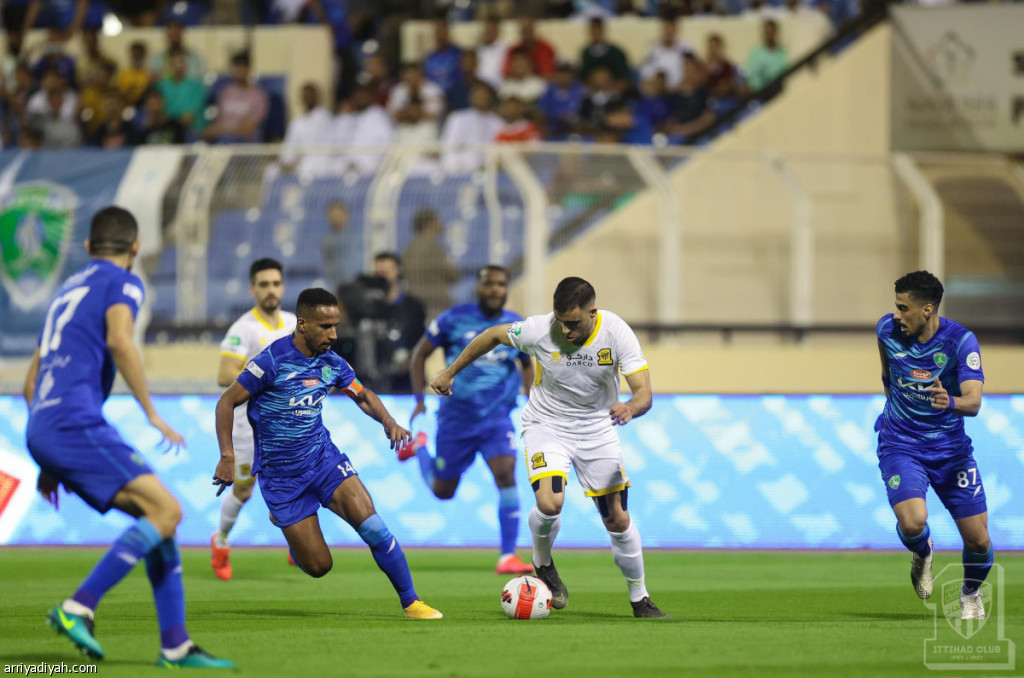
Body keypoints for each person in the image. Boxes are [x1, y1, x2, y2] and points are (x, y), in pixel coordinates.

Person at [23, 206, 233, 668]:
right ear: (135, 247)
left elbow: (30, 382)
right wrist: (152, 413)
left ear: (88, 247)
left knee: (157, 519)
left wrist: (47, 459)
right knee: (168, 511)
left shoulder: (65, 292)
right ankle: (79, 606)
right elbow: (120, 340)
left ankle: (176, 645)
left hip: (44, 425)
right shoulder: (124, 282)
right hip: (75, 421)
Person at [429, 277, 668, 619]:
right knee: (549, 502)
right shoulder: (539, 330)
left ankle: (640, 598)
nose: (565, 331)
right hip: (547, 425)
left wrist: (630, 407)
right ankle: (542, 562)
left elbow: (644, 392)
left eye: (573, 323)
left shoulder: (617, 332)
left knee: (617, 519)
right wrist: (451, 371)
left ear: (592, 312)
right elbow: (492, 335)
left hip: (597, 430)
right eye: (560, 322)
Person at [213, 287, 443, 620]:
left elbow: (362, 395)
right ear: (302, 324)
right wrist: (228, 456)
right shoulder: (271, 361)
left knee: (373, 526)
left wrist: (389, 422)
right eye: (325, 327)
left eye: (335, 325)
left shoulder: (332, 363)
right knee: (320, 566)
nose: (333, 335)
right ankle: (285, 524)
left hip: (324, 461)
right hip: (281, 478)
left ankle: (412, 602)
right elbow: (226, 402)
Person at [876, 271, 992, 621]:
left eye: (903, 308)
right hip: (901, 445)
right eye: (896, 306)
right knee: (913, 523)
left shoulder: (960, 342)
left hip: (951, 452)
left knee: (979, 541)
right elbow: (887, 377)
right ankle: (923, 552)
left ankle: (970, 593)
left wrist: (950, 402)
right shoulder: (886, 331)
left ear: (927, 309)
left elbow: (973, 402)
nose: (896, 315)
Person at [406, 266, 535, 575]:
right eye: (489, 284)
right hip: (456, 420)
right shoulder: (453, 319)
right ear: (478, 287)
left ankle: (507, 555)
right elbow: (419, 355)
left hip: (496, 419)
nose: (495, 289)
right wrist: (420, 400)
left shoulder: (515, 324)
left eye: (501, 284)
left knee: (506, 474)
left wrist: (532, 400)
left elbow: (526, 362)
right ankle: (419, 448)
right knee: (442, 490)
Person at [210, 258, 298, 581]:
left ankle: (298, 540)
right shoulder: (244, 329)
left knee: (298, 482)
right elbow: (224, 375)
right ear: (252, 289)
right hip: (249, 425)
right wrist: (266, 379)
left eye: (275, 284)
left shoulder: (295, 323)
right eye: (263, 284)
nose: (270, 290)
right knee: (244, 489)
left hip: (288, 423)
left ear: (283, 287)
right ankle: (220, 540)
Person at [401, 208, 458, 321]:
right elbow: (453, 275)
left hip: (415, 304)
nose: (441, 223)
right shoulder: (434, 248)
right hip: (437, 305)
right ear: (431, 223)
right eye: (438, 220)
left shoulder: (409, 249)